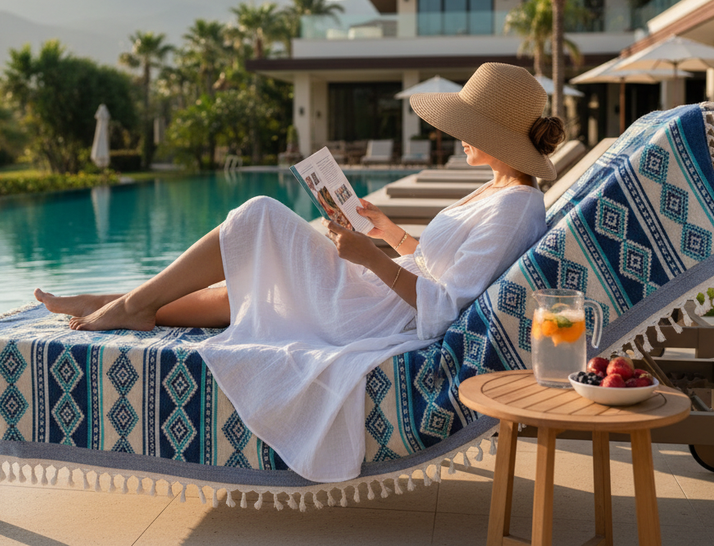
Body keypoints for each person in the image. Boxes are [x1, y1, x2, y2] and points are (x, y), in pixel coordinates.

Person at [34, 62, 565, 482]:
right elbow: (437, 260)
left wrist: (370, 259)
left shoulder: (517, 205)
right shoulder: (497, 190)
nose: (457, 135)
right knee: (257, 278)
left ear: (497, 133)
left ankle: (131, 304)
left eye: (467, 126)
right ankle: (122, 301)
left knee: (258, 215)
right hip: (383, 284)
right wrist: (388, 234)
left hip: (377, 312)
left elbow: (448, 305)